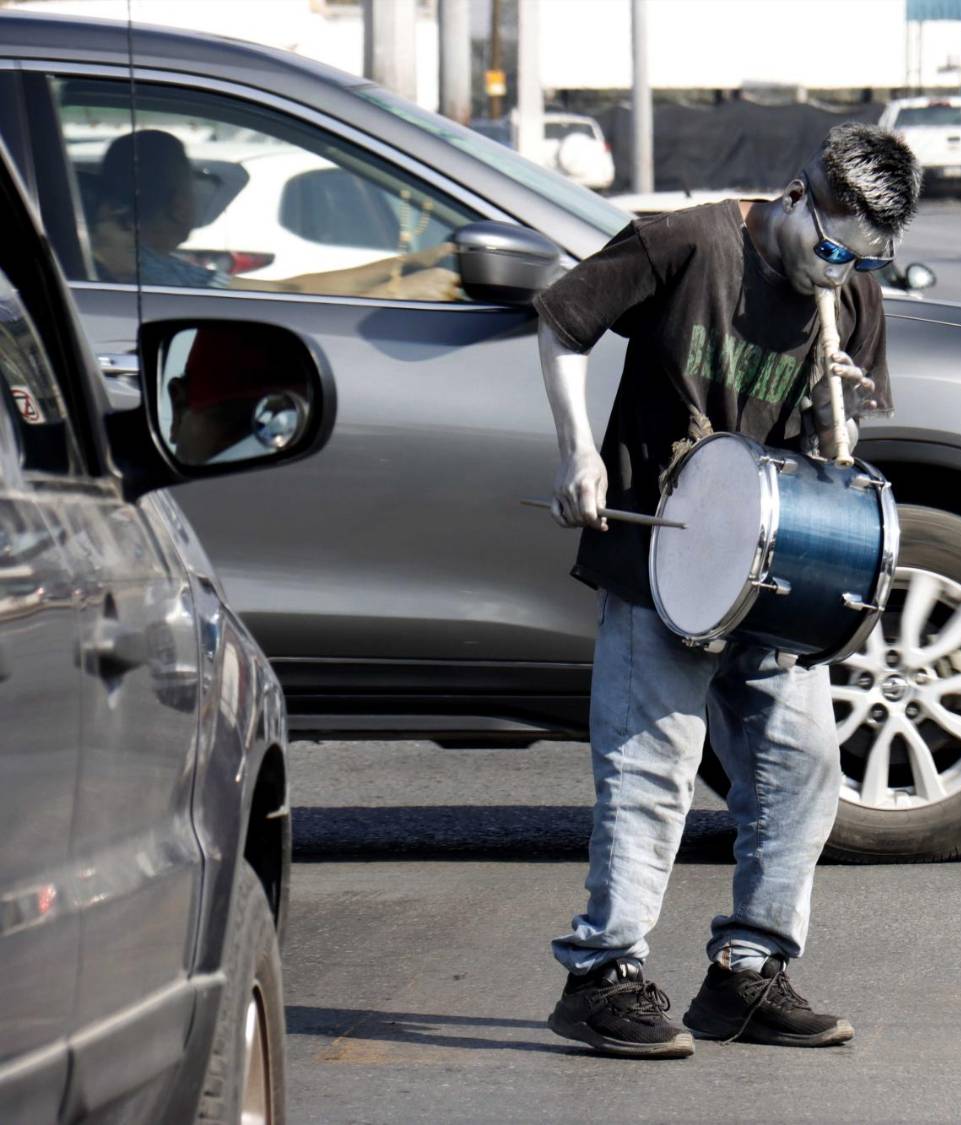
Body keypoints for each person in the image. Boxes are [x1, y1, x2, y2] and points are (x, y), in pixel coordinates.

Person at [534, 122, 918, 1059]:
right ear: (797, 197)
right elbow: (562, 322)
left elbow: (835, 456)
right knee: (652, 769)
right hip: (662, 553)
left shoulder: (853, 294)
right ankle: (600, 975)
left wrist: (841, 422)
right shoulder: (688, 242)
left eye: (860, 262)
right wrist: (578, 452)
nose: (837, 272)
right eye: (829, 250)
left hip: (778, 567)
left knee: (802, 766)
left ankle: (747, 973)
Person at [89, 129, 459, 300]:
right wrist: (400, 291)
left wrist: (407, 265)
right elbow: (293, 301)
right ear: (179, 205)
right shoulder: (152, 274)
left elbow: (292, 290)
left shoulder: (138, 265)